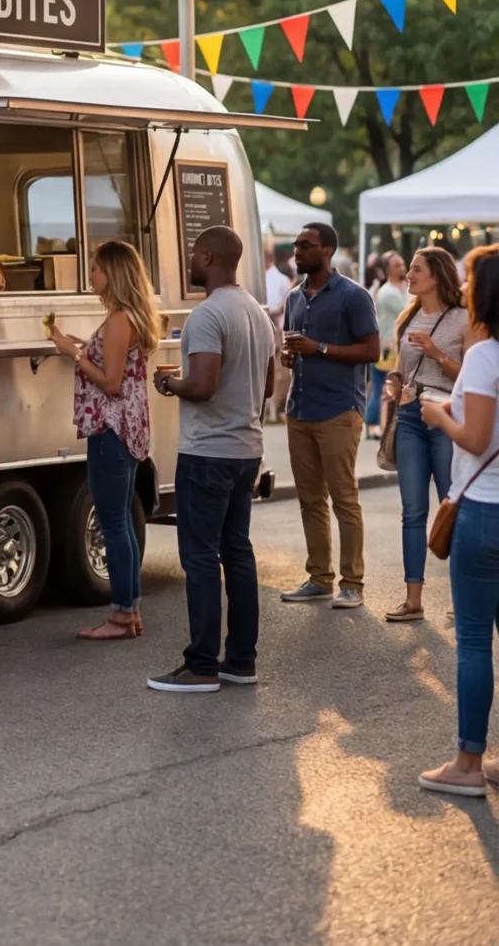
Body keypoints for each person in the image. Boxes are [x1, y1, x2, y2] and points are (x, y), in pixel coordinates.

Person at [148, 225, 275, 693]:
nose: (189, 261)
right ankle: (241, 660)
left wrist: (170, 383)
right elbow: (263, 387)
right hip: (246, 448)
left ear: (207, 256)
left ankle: (201, 664)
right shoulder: (258, 314)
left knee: (200, 557)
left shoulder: (206, 315)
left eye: (193, 255)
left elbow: (202, 386)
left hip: (207, 452)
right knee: (236, 551)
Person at [48, 239, 161, 642]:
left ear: (112, 273)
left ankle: (119, 616)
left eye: (95, 268)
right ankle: (129, 613)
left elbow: (111, 383)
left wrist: (72, 355)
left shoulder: (118, 319)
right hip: (127, 430)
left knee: (113, 523)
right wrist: (84, 349)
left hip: (111, 430)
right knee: (123, 523)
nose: (91, 275)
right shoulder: (127, 317)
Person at [417, 251, 499, 796]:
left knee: (472, 640)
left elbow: (474, 438)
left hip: (483, 511)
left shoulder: (485, 356)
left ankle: (468, 765)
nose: (464, 290)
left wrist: (438, 413)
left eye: (470, 282)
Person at [277, 222, 380, 610]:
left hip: (338, 409)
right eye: (296, 244)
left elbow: (371, 351)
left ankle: (352, 583)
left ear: (328, 251)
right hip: (299, 409)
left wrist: (318, 347)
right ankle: (319, 578)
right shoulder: (294, 298)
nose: (297, 251)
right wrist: (288, 355)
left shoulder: (353, 296)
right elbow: (292, 347)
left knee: (344, 498)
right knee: (309, 500)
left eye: (306, 245)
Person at [384, 246, 466, 624]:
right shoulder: (409, 315)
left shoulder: (463, 319)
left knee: (454, 508)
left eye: (416, 270)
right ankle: (413, 600)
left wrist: (435, 353)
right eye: (410, 270)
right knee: (412, 511)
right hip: (410, 416)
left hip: (445, 417)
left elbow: (469, 378)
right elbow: (402, 370)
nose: (409, 275)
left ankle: (462, 596)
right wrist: (392, 382)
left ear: (436, 275)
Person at [370, 250, 412, 432]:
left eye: (402, 264)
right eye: (397, 265)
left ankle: (377, 424)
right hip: (388, 346)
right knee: (384, 386)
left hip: (394, 345)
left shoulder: (403, 288)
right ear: (387, 270)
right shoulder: (388, 292)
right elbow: (408, 312)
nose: (402, 268)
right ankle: (375, 424)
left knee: (383, 385)